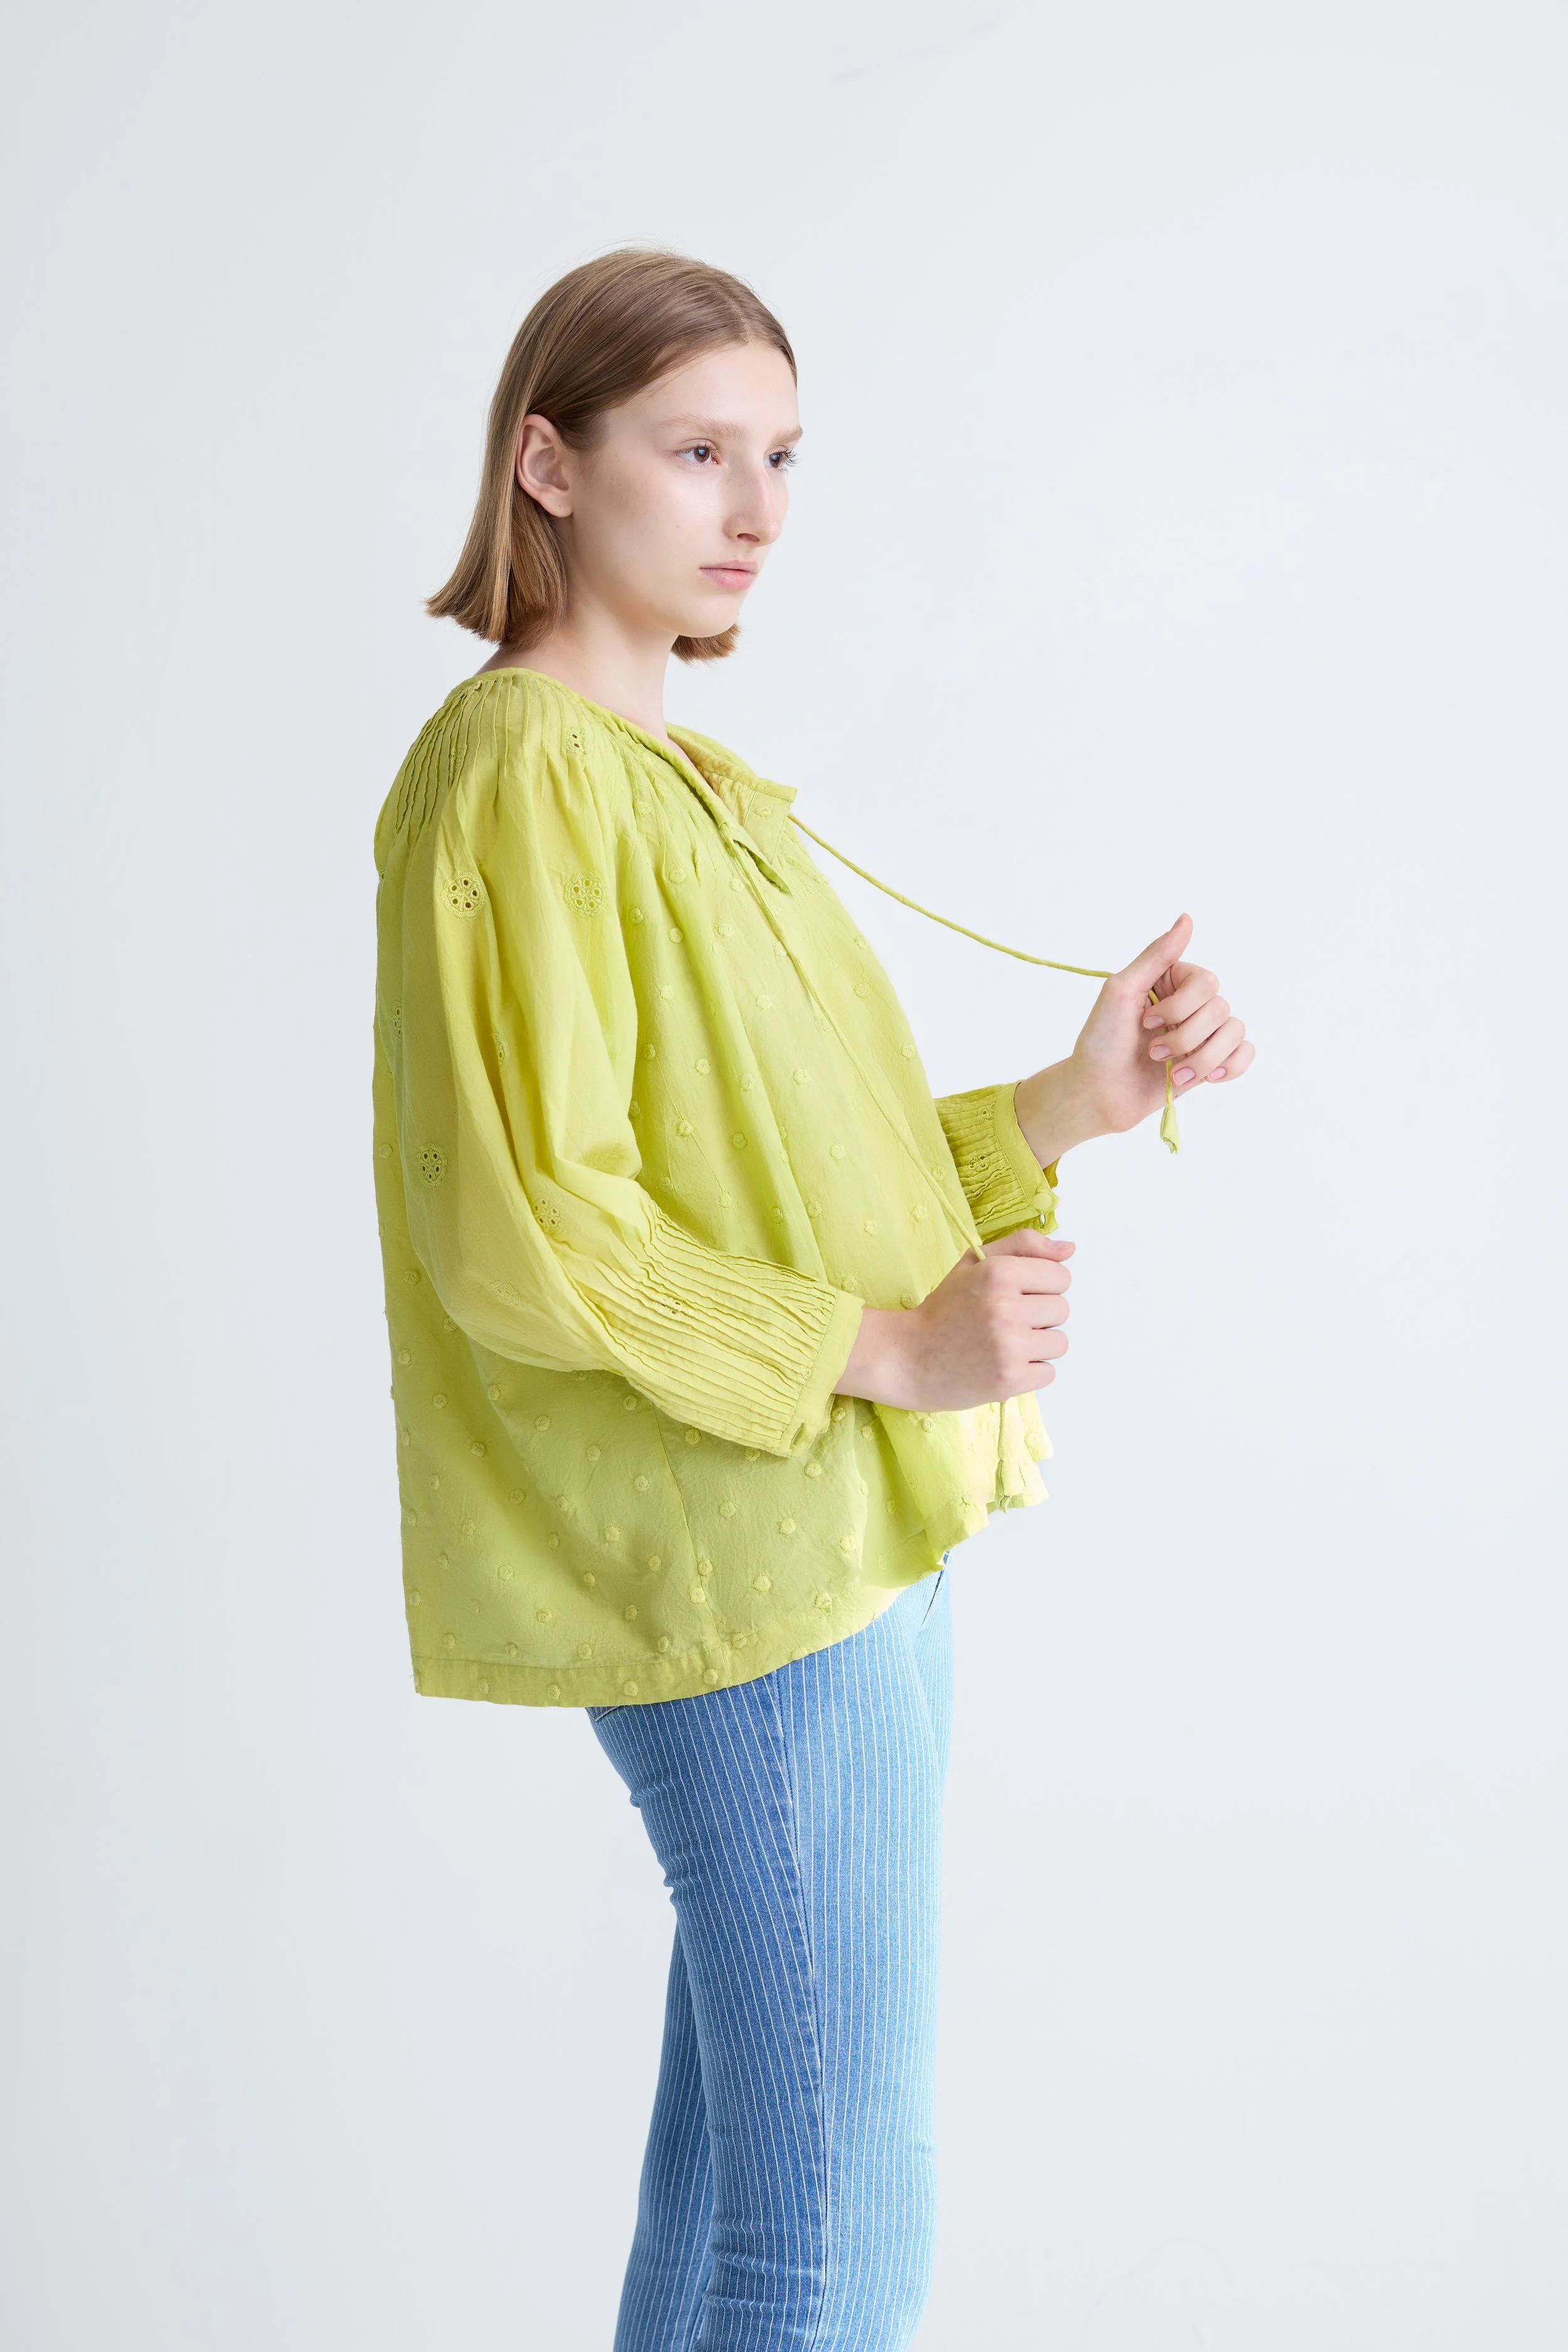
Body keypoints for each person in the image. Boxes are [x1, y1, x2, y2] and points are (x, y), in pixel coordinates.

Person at [371, 246, 1253, 2349]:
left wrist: (1073, 1096)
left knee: (743, 2184)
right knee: (837, 2216)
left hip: (833, 1536)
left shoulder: (684, 790)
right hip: (742, 1555)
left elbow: (793, 1178)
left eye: (778, 455)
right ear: (547, 466)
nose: (756, 507)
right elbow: (530, 1228)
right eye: (695, 450)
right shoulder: (517, 770)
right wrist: (886, 1351)